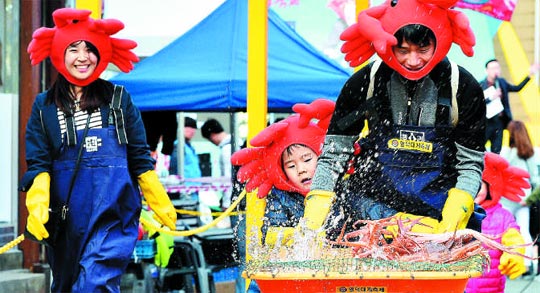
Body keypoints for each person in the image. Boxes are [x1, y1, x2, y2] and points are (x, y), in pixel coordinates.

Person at [298, 1, 487, 240]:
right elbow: (335, 153)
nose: (413, 60)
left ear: (439, 41)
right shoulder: (365, 82)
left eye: (423, 49)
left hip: (439, 217)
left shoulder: (463, 88)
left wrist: (456, 211)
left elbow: (470, 164)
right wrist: (318, 202)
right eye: (403, 50)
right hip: (371, 213)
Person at [22, 8, 177, 292]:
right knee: (66, 285)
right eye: (73, 49)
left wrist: (158, 198)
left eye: (90, 49)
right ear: (58, 52)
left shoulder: (119, 100)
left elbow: (139, 156)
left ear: (101, 53)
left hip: (113, 214)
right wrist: (39, 201)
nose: (83, 57)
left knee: (96, 283)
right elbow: (38, 162)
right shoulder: (44, 106)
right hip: (66, 217)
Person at [231, 99, 334, 292]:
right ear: (282, 171)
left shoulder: (339, 190)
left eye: (307, 159)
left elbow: (366, 207)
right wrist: (312, 237)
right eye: (291, 166)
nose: (301, 170)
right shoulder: (279, 198)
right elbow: (271, 235)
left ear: (323, 157)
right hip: (292, 277)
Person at [466, 152, 530, 292]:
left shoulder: (503, 216)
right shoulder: (457, 213)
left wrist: (514, 255)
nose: (474, 190)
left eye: (479, 185)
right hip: (460, 286)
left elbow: (513, 239)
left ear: (490, 187)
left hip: (491, 288)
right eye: (470, 185)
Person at [499, 120, 540, 274]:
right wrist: (529, 198)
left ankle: (510, 262)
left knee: (507, 231)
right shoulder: (530, 153)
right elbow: (535, 179)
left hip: (506, 197)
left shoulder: (506, 152)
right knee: (524, 230)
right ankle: (527, 264)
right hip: (523, 198)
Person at [480, 59, 539, 154]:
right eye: (493, 68)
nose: (496, 70)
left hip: (500, 122)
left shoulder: (501, 82)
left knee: (496, 150)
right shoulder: (481, 85)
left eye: (497, 67)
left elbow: (517, 88)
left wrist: (529, 75)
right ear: (487, 70)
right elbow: (478, 103)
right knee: (480, 148)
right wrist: (491, 97)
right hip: (487, 123)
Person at [201, 118, 234, 210]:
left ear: (212, 135)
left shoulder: (227, 150)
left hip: (234, 199)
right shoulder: (237, 142)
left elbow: (229, 178)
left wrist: (226, 203)